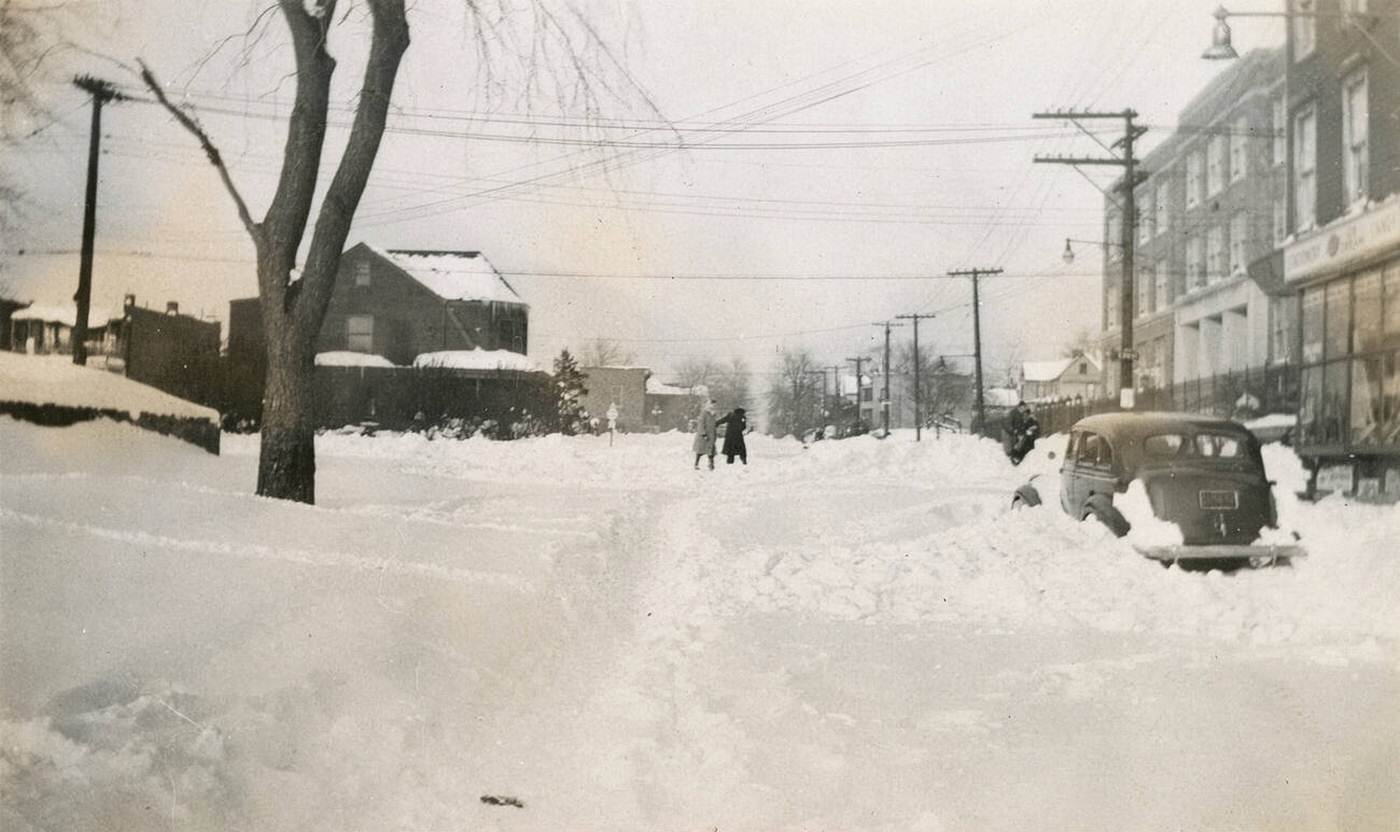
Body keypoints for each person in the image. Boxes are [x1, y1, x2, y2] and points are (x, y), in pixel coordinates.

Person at [692, 400, 718, 469]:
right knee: (700, 451)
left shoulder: (714, 414)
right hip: (703, 436)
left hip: (711, 436)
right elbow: (700, 424)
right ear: (709, 405)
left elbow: (714, 425)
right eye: (713, 405)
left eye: (715, 405)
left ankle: (711, 464)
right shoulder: (704, 413)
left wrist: (715, 434)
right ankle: (696, 464)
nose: (714, 406)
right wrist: (703, 434)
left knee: (711, 451)